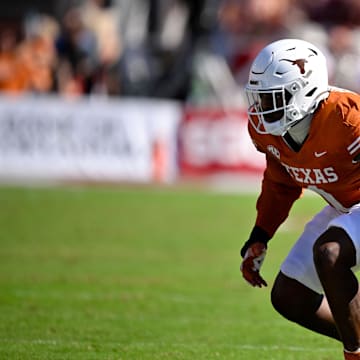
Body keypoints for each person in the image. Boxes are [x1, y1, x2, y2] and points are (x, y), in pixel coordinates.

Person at [239, 38, 360, 360]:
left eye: (272, 98)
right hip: (345, 206)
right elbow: (280, 184)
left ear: (303, 90)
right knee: (290, 295)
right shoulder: (268, 132)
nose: (262, 108)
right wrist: (260, 235)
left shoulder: (348, 117)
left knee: (330, 254)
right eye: (259, 98)